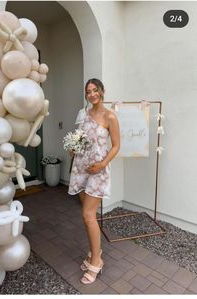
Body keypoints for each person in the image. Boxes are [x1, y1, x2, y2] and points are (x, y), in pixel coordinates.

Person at [68, 78, 120, 284]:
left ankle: (97, 261)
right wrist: (73, 147)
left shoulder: (110, 117)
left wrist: (102, 164)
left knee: (88, 215)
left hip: (98, 171)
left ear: (102, 91)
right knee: (88, 217)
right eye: (88, 91)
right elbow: (81, 138)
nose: (92, 94)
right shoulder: (85, 114)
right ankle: (94, 252)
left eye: (95, 90)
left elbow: (116, 146)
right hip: (81, 168)